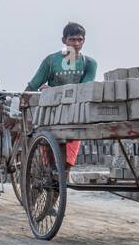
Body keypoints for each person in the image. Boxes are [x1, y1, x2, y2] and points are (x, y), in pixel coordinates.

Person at [25, 21, 97, 167]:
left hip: (74, 117)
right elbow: (33, 84)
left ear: (84, 41)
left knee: (68, 163)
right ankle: (53, 185)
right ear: (64, 40)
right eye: (72, 39)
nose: (76, 43)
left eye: (80, 39)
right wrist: (23, 101)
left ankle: (62, 186)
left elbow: (83, 89)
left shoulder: (89, 63)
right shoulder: (51, 61)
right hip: (52, 115)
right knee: (51, 162)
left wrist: (51, 89)